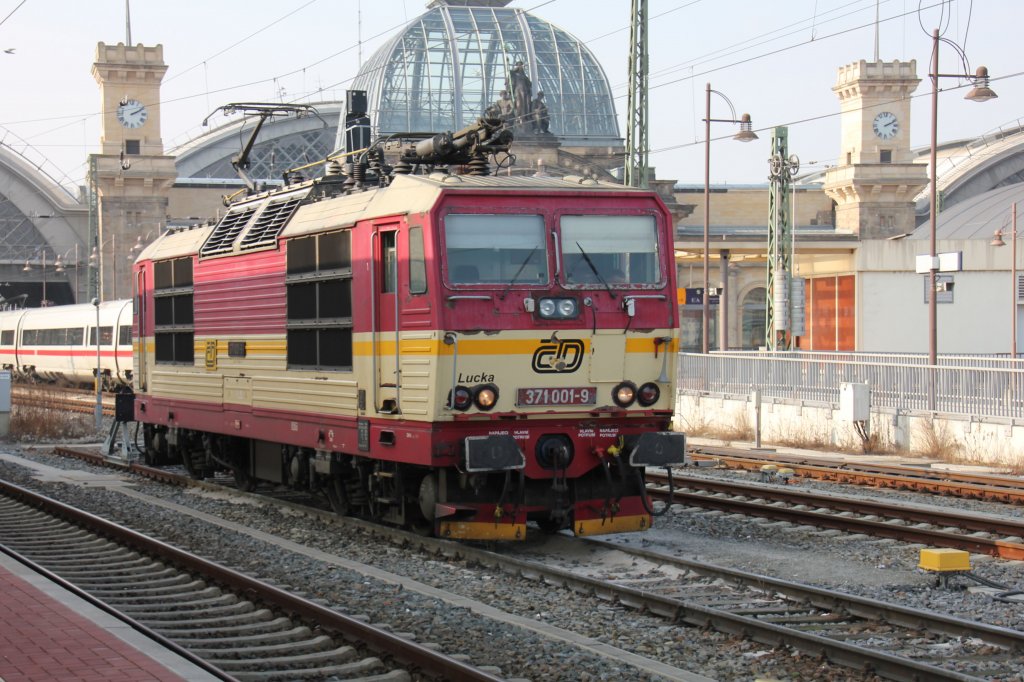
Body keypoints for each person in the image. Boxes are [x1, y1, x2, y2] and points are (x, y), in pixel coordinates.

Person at [509, 61, 532, 128]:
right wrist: (516, 68)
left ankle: (524, 117)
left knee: (525, 104)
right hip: (518, 91)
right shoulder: (515, 75)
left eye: (521, 65)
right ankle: (518, 117)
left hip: (525, 91)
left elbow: (529, 84)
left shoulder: (524, 76)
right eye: (519, 65)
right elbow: (510, 73)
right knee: (519, 104)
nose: (521, 66)